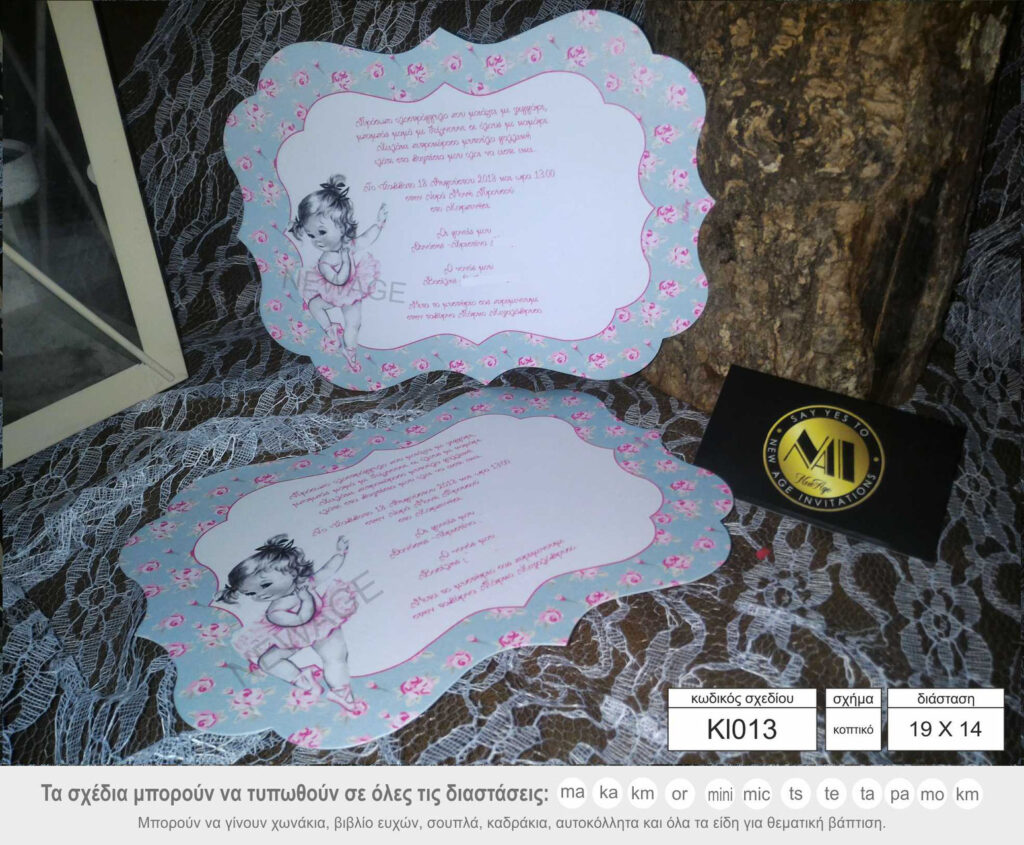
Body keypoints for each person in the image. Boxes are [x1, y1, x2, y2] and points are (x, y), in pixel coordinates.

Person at [217, 533, 366, 715]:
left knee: (336, 658)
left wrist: (340, 553)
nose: (260, 595)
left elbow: (327, 570)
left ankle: (342, 693)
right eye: (251, 593)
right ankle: (303, 680)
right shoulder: (275, 610)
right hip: (295, 634)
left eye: (265, 585)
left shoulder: (306, 583)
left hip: (323, 624)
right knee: (267, 662)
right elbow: (302, 619)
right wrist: (306, 599)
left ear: (292, 572)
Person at [288, 175, 387, 371]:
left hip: (353, 290)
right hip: (333, 291)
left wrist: (379, 224)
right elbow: (339, 280)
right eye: (311, 235)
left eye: (322, 232)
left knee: (354, 323)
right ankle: (329, 328)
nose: (317, 240)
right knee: (315, 305)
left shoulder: (348, 244)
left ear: (342, 227)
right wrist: (346, 261)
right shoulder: (325, 260)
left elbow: (366, 238)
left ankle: (350, 352)